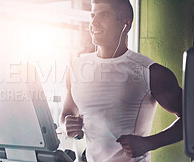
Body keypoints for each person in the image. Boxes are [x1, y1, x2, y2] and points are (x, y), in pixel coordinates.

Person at [60, 0, 183, 161]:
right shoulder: (76, 68)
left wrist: (149, 143)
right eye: (92, 16)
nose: (94, 22)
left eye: (104, 15)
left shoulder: (150, 72)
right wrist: (66, 125)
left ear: (126, 23)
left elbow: (192, 119)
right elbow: (66, 114)